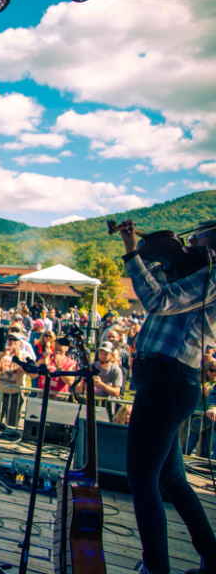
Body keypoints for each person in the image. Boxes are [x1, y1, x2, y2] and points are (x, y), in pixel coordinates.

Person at [114, 218, 216, 574]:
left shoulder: (211, 276)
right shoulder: (191, 270)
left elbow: (157, 301)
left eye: (198, 234)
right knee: (171, 478)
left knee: (141, 478)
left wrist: (131, 252)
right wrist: (149, 255)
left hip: (167, 380)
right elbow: (153, 286)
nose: (190, 240)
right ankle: (213, 558)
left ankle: (156, 568)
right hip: (165, 380)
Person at [0, 334, 27, 427]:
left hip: (15, 394)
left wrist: (18, 358)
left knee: (12, 424)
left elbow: (27, 371)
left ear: (20, 343)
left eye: (15, 340)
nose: (12, 341)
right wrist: (2, 355)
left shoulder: (24, 354)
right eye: (10, 339)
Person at [36, 336, 76, 400]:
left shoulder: (70, 363)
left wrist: (59, 368)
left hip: (59, 397)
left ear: (67, 348)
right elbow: (32, 375)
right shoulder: (45, 358)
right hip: (43, 395)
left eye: (61, 345)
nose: (58, 347)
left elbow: (70, 382)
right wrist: (44, 366)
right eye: (57, 344)